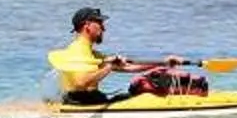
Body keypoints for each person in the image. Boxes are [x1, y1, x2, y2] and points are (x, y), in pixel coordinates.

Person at [47, 6, 190, 106]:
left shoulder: (90, 52)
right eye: (100, 23)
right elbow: (81, 82)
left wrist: (164, 63)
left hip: (88, 100)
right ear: (88, 25)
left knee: (137, 94)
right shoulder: (78, 51)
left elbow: (130, 67)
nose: (104, 28)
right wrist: (109, 67)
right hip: (82, 103)